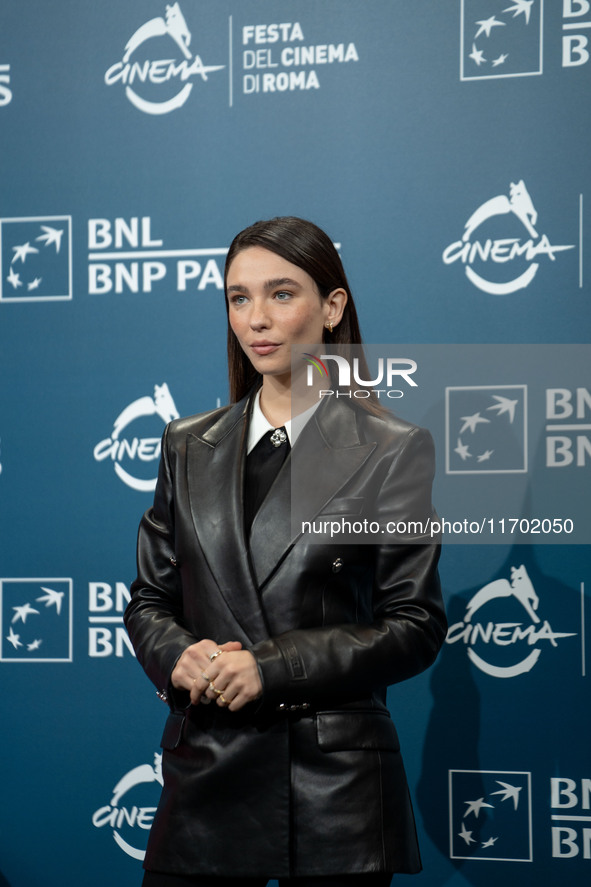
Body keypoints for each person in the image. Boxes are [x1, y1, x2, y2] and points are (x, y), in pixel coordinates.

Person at [124, 217, 447, 887]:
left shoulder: (390, 447)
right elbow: (150, 599)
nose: (256, 319)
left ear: (332, 308)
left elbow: (413, 625)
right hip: (206, 775)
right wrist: (178, 655)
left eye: (280, 293)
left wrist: (270, 667)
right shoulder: (186, 443)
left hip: (331, 791)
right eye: (238, 298)